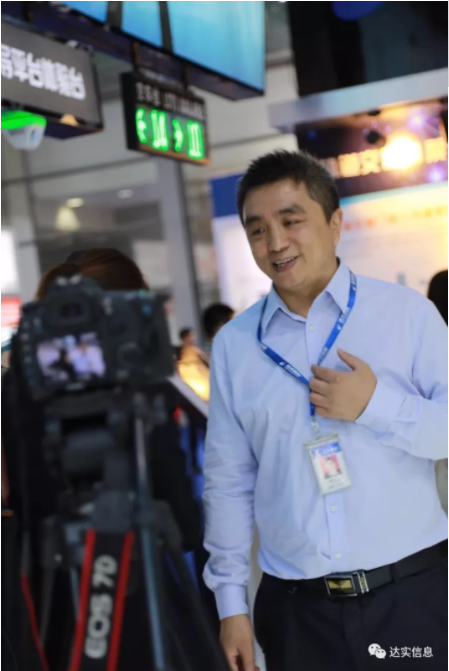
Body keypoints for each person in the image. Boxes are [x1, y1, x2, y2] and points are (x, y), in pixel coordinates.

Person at [203, 151, 448, 671]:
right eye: (257, 230)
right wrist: (231, 605)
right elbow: (228, 481)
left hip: (413, 598)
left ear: (335, 223)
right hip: (297, 613)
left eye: (291, 221)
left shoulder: (406, 314)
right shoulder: (234, 346)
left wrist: (376, 405)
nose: (275, 243)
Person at [2, 248, 212, 671]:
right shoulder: (138, 384)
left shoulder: (19, 386)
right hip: (143, 603)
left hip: (56, 607)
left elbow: (20, 501)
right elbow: (186, 526)